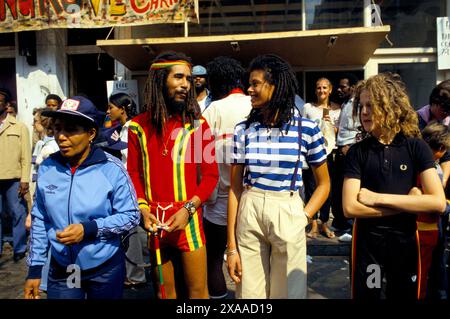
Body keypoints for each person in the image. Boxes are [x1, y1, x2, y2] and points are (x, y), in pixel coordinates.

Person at [227, 54, 330, 299]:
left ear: (275, 86)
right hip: (250, 208)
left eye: (255, 83)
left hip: (288, 208)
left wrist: (304, 217)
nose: (249, 90)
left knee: (289, 293)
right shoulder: (244, 130)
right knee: (249, 295)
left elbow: (324, 183)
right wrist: (231, 247)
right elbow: (234, 189)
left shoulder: (306, 129)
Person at [24, 96, 140, 299]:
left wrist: (89, 229)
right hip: (65, 269)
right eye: (58, 128)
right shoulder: (48, 168)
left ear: (91, 133)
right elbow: (40, 219)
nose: (61, 136)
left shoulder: (112, 169)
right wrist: (35, 268)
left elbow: (131, 215)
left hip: (105, 269)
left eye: (71, 130)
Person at [343, 73, 446, 300]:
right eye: (362, 106)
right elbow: (350, 208)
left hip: (406, 243)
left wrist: (377, 198)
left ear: (390, 106)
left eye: (371, 105)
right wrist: (409, 203)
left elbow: (437, 202)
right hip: (368, 247)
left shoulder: (416, 147)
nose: (364, 112)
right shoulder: (357, 152)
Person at [127, 52, 219, 299]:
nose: (186, 85)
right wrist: (142, 209)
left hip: (188, 220)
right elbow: (133, 173)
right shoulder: (137, 126)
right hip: (154, 222)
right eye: (179, 77)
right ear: (160, 79)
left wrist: (188, 209)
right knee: (164, 293)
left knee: (198, 293)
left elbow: (211, 176)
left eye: (188, 79)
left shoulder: (199, 125)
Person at [202, 56, 252, 299]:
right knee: (252, 257)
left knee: (214, 258)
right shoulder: (257, 104)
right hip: (254, 197)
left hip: (220, 198)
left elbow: (202, 159)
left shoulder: (213, 110)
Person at [303, 77, 340, 239]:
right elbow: (302, 128)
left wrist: (331, 125)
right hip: (311, 154)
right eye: (319, 88)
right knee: (312, 188)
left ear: (330, 90)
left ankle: (325, 222)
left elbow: (340, 133)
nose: (321, 91)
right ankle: (314, 224)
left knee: (328, 188)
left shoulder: (337, 110)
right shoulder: (308, 108)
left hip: (329, 153)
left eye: (325, 88)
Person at [416, 121, 450, 299]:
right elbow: (439, 207)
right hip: (427, 231)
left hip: (411, 230)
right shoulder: (433, 171)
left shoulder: (413, 162)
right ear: (441, 149)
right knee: (421, 275)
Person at [0, 87, 31, 262]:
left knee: (17, 212)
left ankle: (19, 248)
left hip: (13, 178)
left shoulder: (19, 127)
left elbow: (26, 156)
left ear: (6, 105)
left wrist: (24, 179)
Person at [332, 73, 360, 241]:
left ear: (353, 88)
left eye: (343, 86)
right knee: (340, 188)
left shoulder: (357, 104)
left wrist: (351, 148)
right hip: (341, 150)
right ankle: (342, 223)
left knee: (351, 188)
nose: (339, 89)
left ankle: (350, 227)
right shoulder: (346, 104)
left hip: (350, 150)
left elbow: (360, 128)